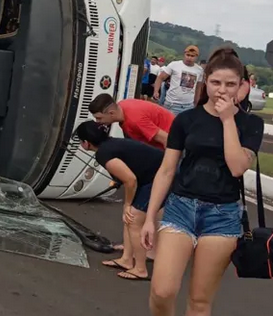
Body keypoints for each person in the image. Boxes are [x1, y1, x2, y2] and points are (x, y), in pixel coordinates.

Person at [141, 48, 264, 316]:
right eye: (216, 82)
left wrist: (228, 119)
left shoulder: (250, 124)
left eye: (230, 84)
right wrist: (150, 217)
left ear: (242, 86)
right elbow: (166, 170)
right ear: (205, 81)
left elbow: (237, 167)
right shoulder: (187, 120)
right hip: (180, 208)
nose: (222, 90)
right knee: (162, 290)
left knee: (199, 301)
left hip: (223, 216)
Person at [75, 121, 163, 281]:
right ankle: (127, 259)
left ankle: (140, 269)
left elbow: (130, 180)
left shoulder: (103, 153)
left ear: (86, 143)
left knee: (134, 219)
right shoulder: (111, 143)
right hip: (151, 175)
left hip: (159, 177)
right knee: (129, 219)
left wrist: (127, 205)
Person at [89, 94, 175, 150]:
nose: (98, 122)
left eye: (99, 118)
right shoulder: (122, 107)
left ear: (111, 113)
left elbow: (166, 139)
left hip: (176, 143)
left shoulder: (135, 120)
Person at [154, 45, 203, 115]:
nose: (189, 58)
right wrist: (156, 91)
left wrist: (196, 103)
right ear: (184, 54)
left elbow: (198, 88)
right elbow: (160, 77)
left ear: (196, 57)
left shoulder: (199, 70)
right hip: (172, 104)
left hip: (188, 106)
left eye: (192, 56)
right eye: (188, 55)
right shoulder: (174, 65)